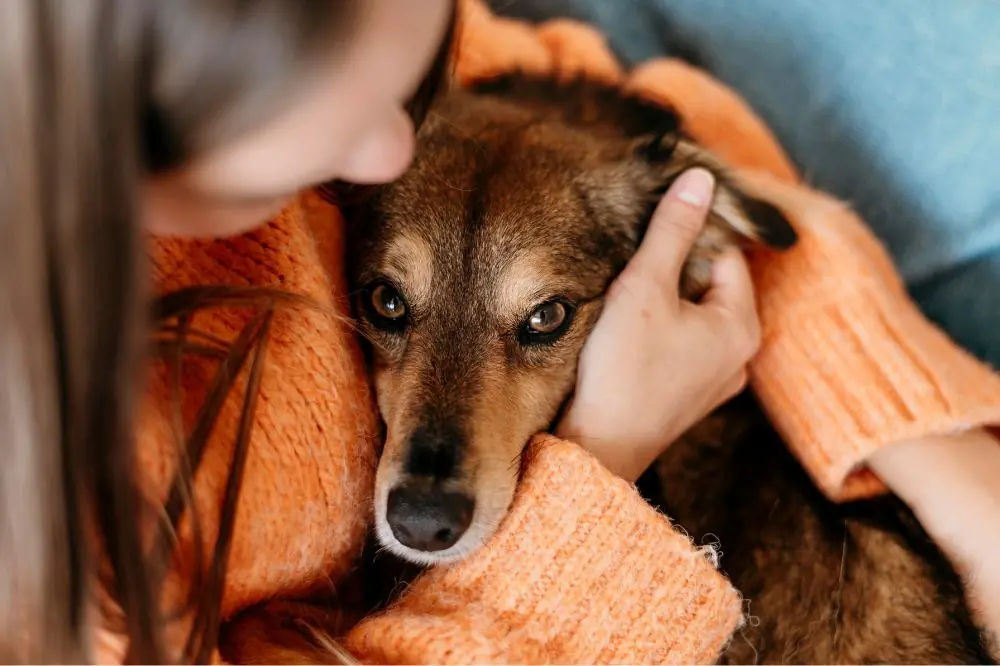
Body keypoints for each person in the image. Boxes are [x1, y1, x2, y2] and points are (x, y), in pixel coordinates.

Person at [0, 1, 996, 665]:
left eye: (414, 78)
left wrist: (929, 452)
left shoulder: (343, 42)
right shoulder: (52, 542)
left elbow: (611, 103)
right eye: (389, 307)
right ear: (115, 124)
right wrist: (603, 456)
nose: (394, 151)